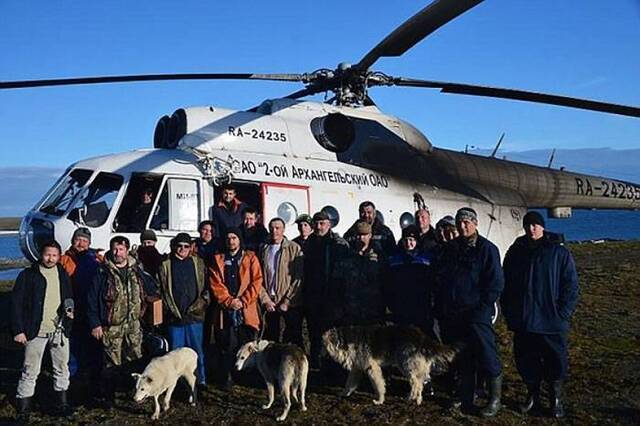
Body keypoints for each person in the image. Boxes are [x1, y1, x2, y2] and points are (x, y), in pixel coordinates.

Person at [502, 211, 579, 418]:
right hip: (524, 320)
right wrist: (509, 311)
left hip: (551, 321)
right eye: (528, 225)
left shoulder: (558, 252)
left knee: (556, 361)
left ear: (542, 227)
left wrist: (562, 313)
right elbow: (505, 283)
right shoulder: (516, 252)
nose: (531, 229)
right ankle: (532, 396)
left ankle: (555, 399)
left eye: (535, 225)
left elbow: (570, 286)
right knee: (526, 360)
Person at [434, 207, 504, 417]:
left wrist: (483, 308)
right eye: (459, 223)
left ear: (475, 223)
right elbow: (442, 278)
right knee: (460, 355)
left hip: (476, 313)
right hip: (453, 313)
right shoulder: (451, 248)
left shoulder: (486, 249)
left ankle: (494, 398)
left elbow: (495, 283)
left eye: (466, 222)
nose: (462, 226)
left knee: (486, 352)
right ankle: (464, 394)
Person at [11, 240, 74, 420]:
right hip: (34, 331)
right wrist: (18, 330)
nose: (50, 258)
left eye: (54, 255)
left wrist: (70, 309)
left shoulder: (62, 274)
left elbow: (68, 296)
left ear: (59, 256)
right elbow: (16, 304)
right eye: (47, 254)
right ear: (41, 254)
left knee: (62, 368)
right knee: (30, 370)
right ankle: (23, 409)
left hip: (59, 330)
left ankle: (61, 404)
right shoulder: (28, 275)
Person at [88, 236, 148, 406]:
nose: (118, 253)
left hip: (133, 324)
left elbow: (147, 290)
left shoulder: (136, 269)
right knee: (111, 362)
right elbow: (92, 300)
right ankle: (109, 397)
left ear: (127, 250)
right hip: (111, 326)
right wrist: (95, 323)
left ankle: (133, 392)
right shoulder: (102, 272)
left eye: (121, 249)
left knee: (135, 358)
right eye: (115, 249)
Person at [208, 227, 263, 389]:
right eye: (228, 238)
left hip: (246, 309)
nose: (231, 241)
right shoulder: (218, 259)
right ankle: (228, 377)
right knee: (226, 345)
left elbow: (257, 281)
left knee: (247, 344)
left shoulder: (250, 257)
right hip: (226, 310)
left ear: (239, 239)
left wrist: (243, 300)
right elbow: (215, 283)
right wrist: (228, 301)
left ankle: (248, 377)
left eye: (234, 238)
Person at [158, 233, 210, 388]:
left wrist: (200, 305)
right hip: (175, 317)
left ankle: (200, 380)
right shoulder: (165, 265)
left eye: (186, 246)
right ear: (174, 246)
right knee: (175, 354)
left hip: (195, 316)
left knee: (197, 351)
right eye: (179, 245)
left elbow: (206, 289)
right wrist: (170, 310)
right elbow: (161, 290)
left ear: (191, 248)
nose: (182, 249)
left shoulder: (198, 263)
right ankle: (176, 384)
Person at [302, 211, 350, 368]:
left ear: (329, 225)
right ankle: (315, 364)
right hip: (312, 295)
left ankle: (332, 366)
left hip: (331, 295)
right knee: (313, 333)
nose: (318, 226)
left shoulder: (338, 244)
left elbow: (343, 273)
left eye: (322, 223)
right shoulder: (309, 243)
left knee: (331, 334)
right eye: (316, 223)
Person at [59, 227, 102, 381]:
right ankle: (72, 378)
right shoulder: (63, 260)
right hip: (71, 309)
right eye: (78, 240)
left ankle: (93, 376)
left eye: (85, 241)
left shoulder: (97, 259)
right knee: (72, 345)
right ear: (72, 241)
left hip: (91, 309)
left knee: (93, 345)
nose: (81, 243)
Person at [258, 218, 304, 346]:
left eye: (277, 228)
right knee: (271, 338)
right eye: (272, 228)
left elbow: (298, 277)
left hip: (289, 302)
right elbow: (258, 277)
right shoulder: (264, 249)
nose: (274, 231)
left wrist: (287, 300)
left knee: (293, 338)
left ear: (283, 229)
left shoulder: (294, 248)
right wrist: (265, 299)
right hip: (270, 301)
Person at [331, 221, 385, 327]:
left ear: (370, 235)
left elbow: (385, 282)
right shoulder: (346, 257)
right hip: (351, 310)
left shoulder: (379, 258)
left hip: (373, 310)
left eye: (365, 235)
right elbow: (337, 284)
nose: (361, 238)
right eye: (359, 235)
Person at [386, 225, 435, 338]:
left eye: (412, 240)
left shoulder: (426, 258)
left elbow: (432, 282)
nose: (409, 243)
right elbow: (389, 283)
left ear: (417, 241)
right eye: (406, 240)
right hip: (402, 306)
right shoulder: (394, 260)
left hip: (421, 306)